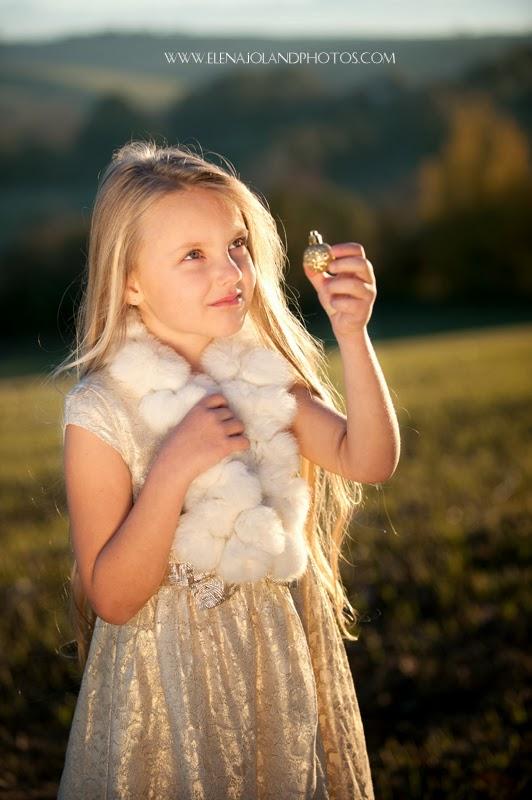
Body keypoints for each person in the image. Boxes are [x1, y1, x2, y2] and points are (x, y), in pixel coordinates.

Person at [52, 140, 400, 799]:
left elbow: (369, 459)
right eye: (194, 256)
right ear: (129, 281)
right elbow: (114, 598)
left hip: (272, 668)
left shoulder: (263, 377)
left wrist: (353, 335)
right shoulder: (102, 411)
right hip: (163, 686)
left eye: (236, 244)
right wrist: (173, 468)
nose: (231, 270)